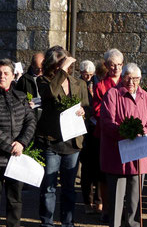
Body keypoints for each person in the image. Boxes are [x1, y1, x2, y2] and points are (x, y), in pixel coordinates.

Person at [36, 46, 89, 227]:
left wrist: (83, 111)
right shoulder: (44, 81)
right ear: (53, 64)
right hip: (52, 142)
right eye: (60, 62)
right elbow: (49, 92)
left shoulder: (79, 83)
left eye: (64, 62)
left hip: (72, 143)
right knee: (49, 187)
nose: (63, 66)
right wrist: (62, 71)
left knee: (69, 188)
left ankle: (68, 222)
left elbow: (86, 107)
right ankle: (47, 223)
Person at [100, 63, 147, 227]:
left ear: (140, 79)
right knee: (116, 199)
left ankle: (133, 224)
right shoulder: (112, 94)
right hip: (117, 155)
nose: (131, 82)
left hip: (139, 153)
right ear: (122, 77)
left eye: (135, 78)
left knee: (135, 198)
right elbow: (107, 122)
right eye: (128, 77)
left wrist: (144, 131)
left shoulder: (145, 96)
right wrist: (125, 132)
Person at [0, 58, 36, 227]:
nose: (2, 76)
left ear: (13, 75)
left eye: (6, 73)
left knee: (15, 199)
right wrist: (10, 146)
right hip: (2, 155)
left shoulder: (21, 97)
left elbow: (31, 121)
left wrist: (21, 142)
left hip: (16, 157)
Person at [92, 48, 124, 222]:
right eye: (112, 66)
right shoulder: (101, 86)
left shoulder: (128, 83)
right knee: (105, 174)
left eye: (119, 65)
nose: (116, 69)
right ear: (106, 66)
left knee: (124, 173)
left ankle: (121, 208)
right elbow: (97, 110)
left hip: (125, 134)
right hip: (105, 135)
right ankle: (106, 208)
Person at [78, 60, 102, 214]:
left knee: (99, 167)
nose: (87, 77)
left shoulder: (98, 84)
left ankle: (99, 201)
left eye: (90, 75)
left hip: (97, 129)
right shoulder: (77, 84)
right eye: (85, 74)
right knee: (86, 169)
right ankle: (88, 201)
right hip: (83, 130)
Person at [16, 52, 45, 119]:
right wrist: (26, 104)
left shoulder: (48, 77)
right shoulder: (24, 79)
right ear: (32, 65)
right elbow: (17, 98)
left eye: (42, 68)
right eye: (37, 68)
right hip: (31, 116)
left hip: (45, 116)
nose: (40, 71)